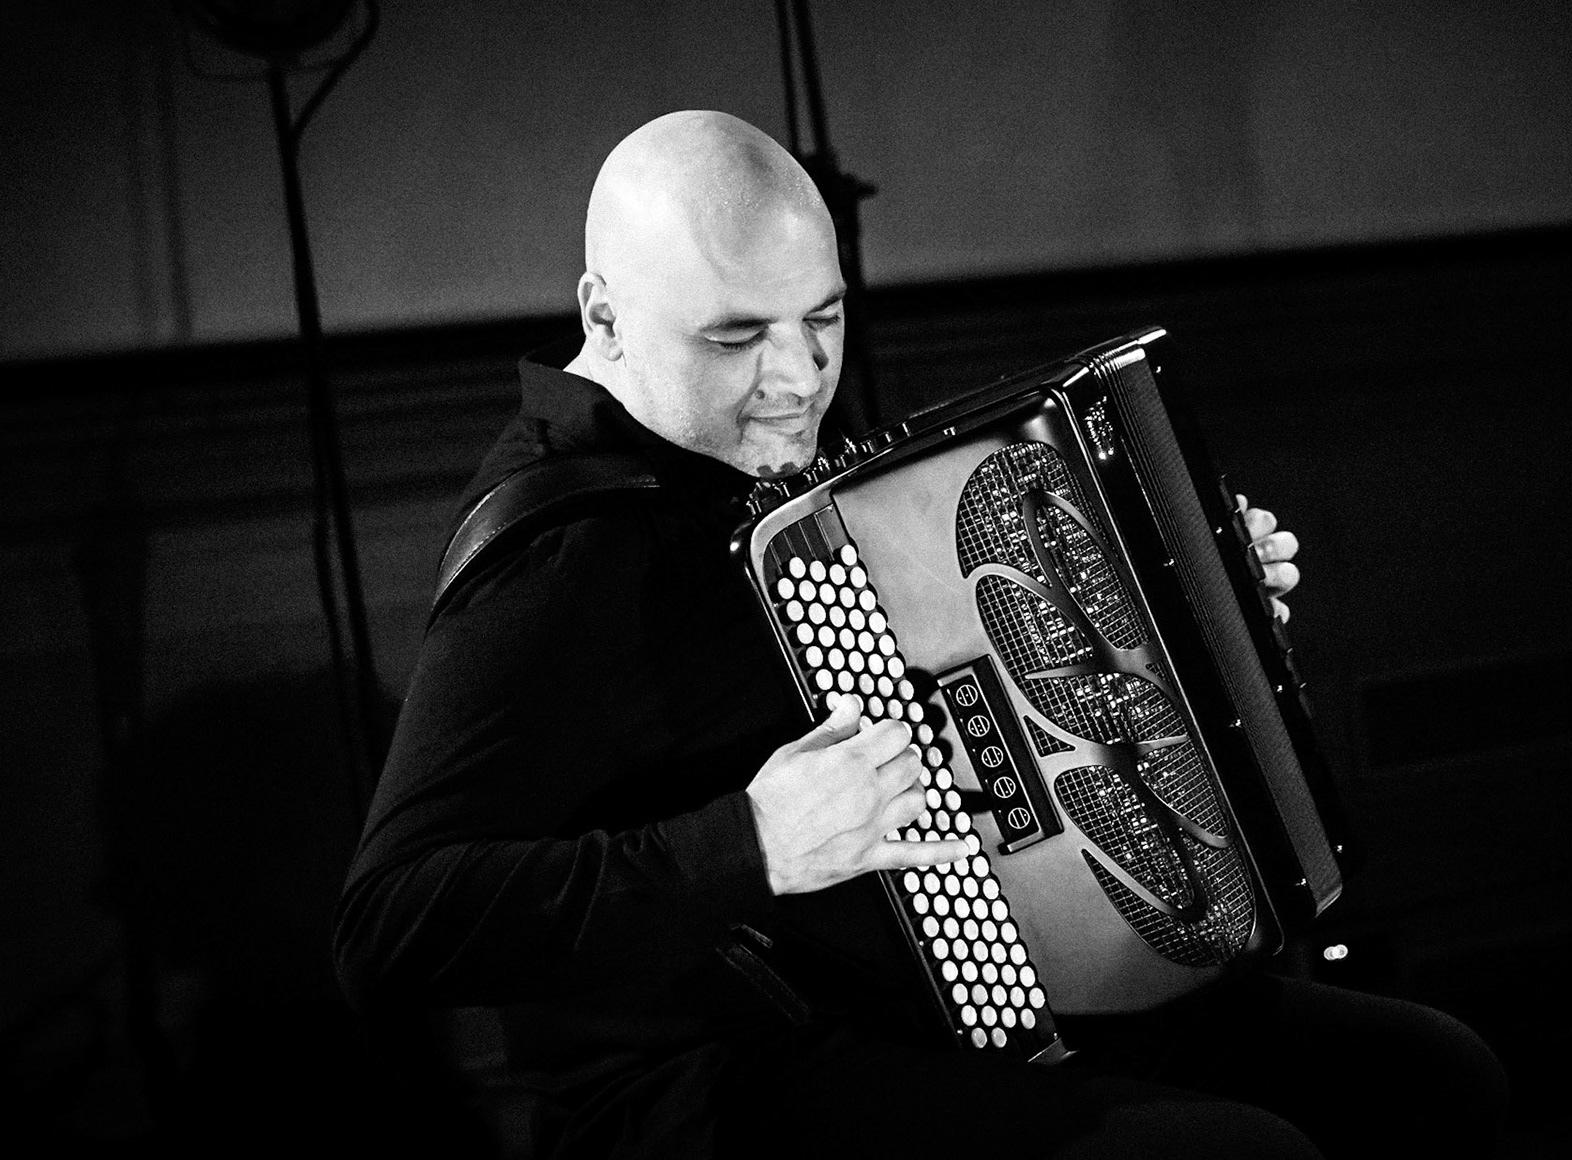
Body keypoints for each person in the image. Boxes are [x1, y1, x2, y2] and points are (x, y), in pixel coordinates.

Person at [335, 110, 1506, 1159]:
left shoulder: (758, 448)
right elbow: (388, 925)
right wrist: (749, 841)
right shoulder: (560, 550)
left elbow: (980, 669)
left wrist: (1205, 616)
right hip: (717, 1077)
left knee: (1427, 1074)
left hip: (954, 998)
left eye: (823, 319)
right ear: (605, 314)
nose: (795, 377)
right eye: (737, 337)